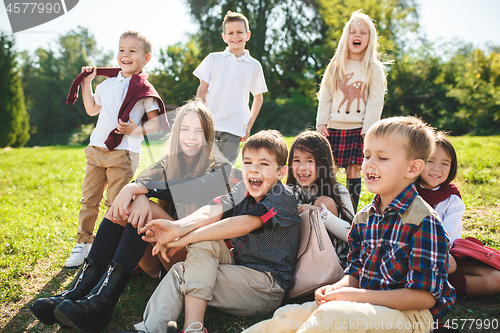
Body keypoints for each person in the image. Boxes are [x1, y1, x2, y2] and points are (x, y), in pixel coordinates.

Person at [29, 100, 234, 332]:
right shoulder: (169, 162)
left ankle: (102, 304)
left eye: (199, 131)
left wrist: (140, 190)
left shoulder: (220, 168)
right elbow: (141, 183)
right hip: (161, 257)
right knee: (130, 204)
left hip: (197, 259)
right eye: (185, 129)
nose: (191, 136)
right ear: (176, 133)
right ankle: (78, 291)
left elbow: (187, 189)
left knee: (142, 203)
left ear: (208, 135)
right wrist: (135, 190)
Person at [242, 117, 456, 333]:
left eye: (382, 157)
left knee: (333, 316)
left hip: (412, 317)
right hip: (365, 305)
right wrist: (335, 289)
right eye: (367, 155)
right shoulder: (364, 218)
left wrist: (356, 296)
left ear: (413, 168)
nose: (369, 163)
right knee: (290, 315)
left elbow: (424, 297)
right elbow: (354, 273)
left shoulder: (423, 221)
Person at [132, 130, 301, 333]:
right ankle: (151, 329)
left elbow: (244, 224)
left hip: (266, 285)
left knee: (193, 256)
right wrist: (177, 227)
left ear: (281, 172)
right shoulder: (243, 190)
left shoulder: (282, 196)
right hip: (238, 268)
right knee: (186, 264)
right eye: (248, 163)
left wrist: (179, 239)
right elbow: (212, 211)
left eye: (264, 164)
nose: (254, 170)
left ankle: (192, 329)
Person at [65, 30, 163, 268]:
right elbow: (91, 109)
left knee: (116, 204)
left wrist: (134, 129)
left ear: (146, 58)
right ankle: (83, 242)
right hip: (96, 149)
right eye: (121, 50)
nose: (125, 55)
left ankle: (108, 246)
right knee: (89, 199)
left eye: (132, 50)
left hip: (124, 153)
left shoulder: (144, 90)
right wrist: (87, 83)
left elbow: (157, 124)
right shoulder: (107, 84)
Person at [316, 10, 386, 212]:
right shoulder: (336, 66)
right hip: (334, 127)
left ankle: (351, 211)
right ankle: (328, 207)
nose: (357, 36)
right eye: (353, 31)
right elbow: (326, 95)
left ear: (370, 38)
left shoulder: (374, 68)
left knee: (354, 170)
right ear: (346, 37)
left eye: (363, 32)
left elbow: (375, 100)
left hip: (358, 128)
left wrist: (369, 129)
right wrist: (321, 123)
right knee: (328, 170)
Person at [416, 132, 500, 296]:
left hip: (444, 256)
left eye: (445, 164)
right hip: (409, 254)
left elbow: (448, 239)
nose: (436, 168)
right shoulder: (404, 191)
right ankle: (419, 285)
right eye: (430, 161)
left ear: (452, 167)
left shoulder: (452, 199)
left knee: (495, 278)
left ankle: (436, 288)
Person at [194, 10, 267, 163]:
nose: (235, 36)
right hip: (210, 123)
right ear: (224, 37)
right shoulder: (213, 59)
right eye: (231, 32)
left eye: (239, 32)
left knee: (225, 170)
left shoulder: (254, 65)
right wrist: (198, 116)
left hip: (235, 126)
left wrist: (248, 126)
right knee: (203, 165)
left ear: (247, 35)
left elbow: (258, 98)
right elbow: (202, 90)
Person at [287, 130, 354, 269]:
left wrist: (320, 213)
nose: (302, 167)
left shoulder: (338, 191)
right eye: (296, 160)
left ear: (323, 163)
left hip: (333, 262)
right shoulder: (290, 193)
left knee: (324, 202)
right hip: (299, 260)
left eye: (310, 161)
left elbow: (352, 235)